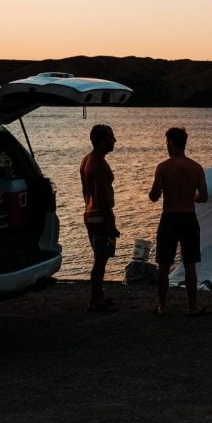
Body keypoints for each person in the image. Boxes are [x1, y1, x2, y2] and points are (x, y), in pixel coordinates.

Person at [149, 126, 210, 316]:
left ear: (172, 144)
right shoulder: (196, 167)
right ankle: (192, 306)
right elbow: (204, 196)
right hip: (188, 217)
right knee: (190, 264)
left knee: (164, 264)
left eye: (167, 143)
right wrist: (192, 197)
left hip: (169, 217)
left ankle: (163, 306)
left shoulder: (163, 167)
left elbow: (154, 196)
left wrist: (156, 192)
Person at [80, 124, 119, 312]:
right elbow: (102, 197)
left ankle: (99, 296)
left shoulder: (86, 160)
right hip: (100, 215)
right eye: (111, 137)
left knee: (100, 257)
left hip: (90, 213)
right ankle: (95, 299)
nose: (114, 141)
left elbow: (85, 193)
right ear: (102, 140)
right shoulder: (98, 163)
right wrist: (110, 221)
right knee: (101, 258)